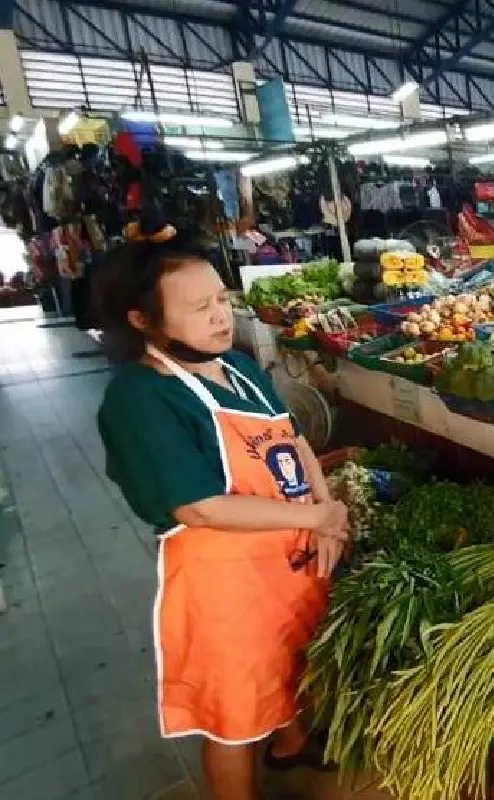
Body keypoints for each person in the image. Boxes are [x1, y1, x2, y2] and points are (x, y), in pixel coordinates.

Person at [95, 220, 349, 800]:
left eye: (221, 300)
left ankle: (290, 745)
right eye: (198, 308)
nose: (219, 318)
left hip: (286, 561)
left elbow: (295, 440)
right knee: (235, 714)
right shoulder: (140, 397)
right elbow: (199, 507)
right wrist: (314, 519)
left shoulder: (240, 368)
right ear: (143, 321)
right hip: (227, 586)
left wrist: (326, 506)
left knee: (285, 664)